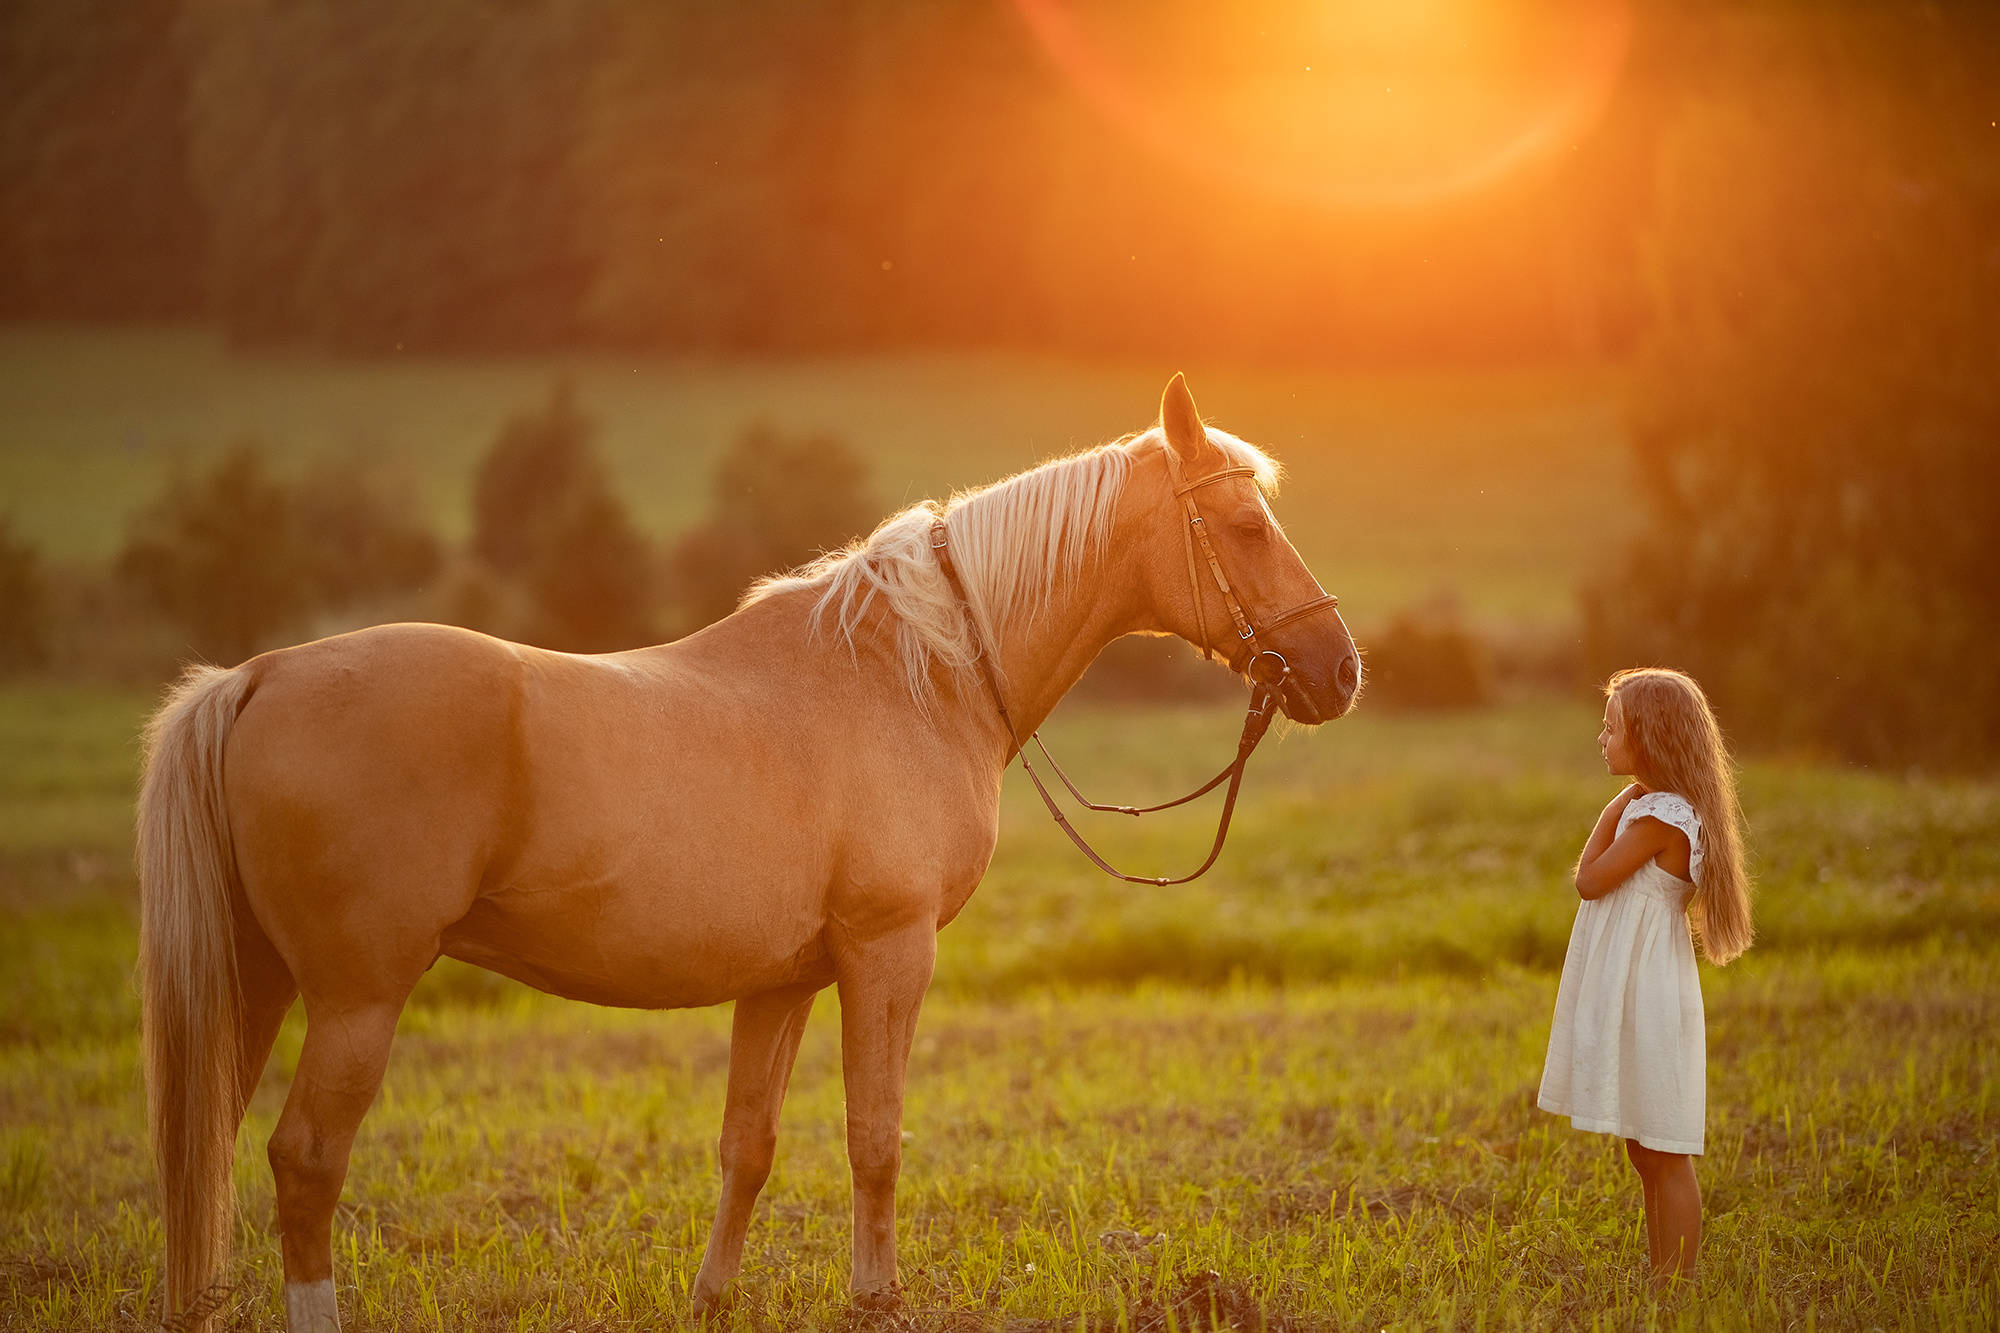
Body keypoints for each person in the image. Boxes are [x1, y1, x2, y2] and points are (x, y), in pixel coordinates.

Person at [1537, 667, 1754, 1292]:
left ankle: (1675, 1287)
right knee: (1645, 1149)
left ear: (1649, 738)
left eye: (1612, 728)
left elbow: (1591, 879)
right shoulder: (1665, 808)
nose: (1600, 738)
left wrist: (1615, 803)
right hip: (1641, 988)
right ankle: (1662, 1279)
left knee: (1664, 1148)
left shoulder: (1659, 817)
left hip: (1650, 994)